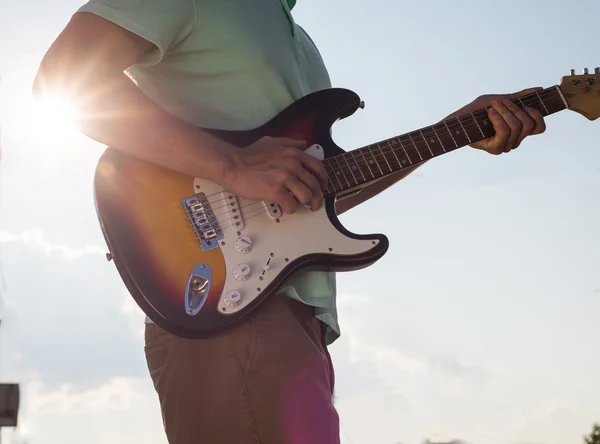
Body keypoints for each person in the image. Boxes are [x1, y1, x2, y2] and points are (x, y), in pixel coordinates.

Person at [32, 1, 546, 443]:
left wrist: (452, 132)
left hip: (298, 318)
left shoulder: (296, 39)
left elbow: (306, 193)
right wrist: (232, 166)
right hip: (224, 306)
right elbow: (64, 80)